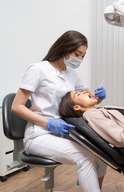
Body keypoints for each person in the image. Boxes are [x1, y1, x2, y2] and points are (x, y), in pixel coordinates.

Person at [12, 30, 107, 192]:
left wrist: (100, 97)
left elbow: (91, 99)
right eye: (78, 54)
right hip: (39, 134)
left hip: (64, 132)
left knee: (102, 152)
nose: (80, 59)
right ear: (65, 48)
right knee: (84, 156)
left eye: (83, 56)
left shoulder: (71, 74)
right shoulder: (38, 69)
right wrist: (48, 123)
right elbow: (17, 106)